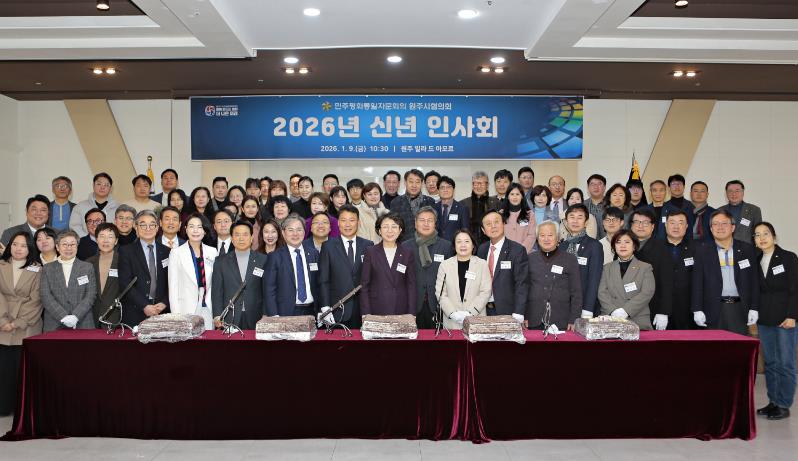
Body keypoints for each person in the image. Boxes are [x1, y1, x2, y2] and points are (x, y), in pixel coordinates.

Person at [753, 222, 798, 420]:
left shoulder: (788, 257)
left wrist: (792, 315)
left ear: (774, 236)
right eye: (757, 235)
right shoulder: (756, 260)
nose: (762, 238)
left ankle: (784, 404)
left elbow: (795, 289)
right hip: (765, 319)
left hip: (785, 319)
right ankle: (773, 401)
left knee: (785, 363)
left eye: (766, 233)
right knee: (770, 363)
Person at [692, 209, 759, 336]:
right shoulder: (702, 251)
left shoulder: (747, 249)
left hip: (740, 309)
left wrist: (754, 307)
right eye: (716, 224)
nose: (720, 227)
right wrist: (697, 309)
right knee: (714, 347)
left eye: (724, 223)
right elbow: (697, 282)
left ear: (733, 227)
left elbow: (754, 281)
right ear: (711, 229)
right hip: (712, 309)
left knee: (739, 347)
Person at [0, 231, 42, 416]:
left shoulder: (37, 269)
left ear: (30, 248)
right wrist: (3, 320)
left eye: (24, 245)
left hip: (27, 326)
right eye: (15, 244)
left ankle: (23, 409)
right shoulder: (1, 265)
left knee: (22, 369)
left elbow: (36, 299)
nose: (18, 249)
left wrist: (17, 322)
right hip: (1, 324)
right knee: (4, 369)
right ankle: (3, 406)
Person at [318, 205, 374, 329]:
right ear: (338, 223)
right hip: (337, 308)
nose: (347, 224)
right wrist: (325, 307)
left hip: (362, 309)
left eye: (352, 220)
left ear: (358, 222)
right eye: (343, 220)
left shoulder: (368, 245)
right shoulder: (328, 246)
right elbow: (323, 280)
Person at [401, 207, 454, 328]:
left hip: (438, 305)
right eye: (422, 220)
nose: (426, 224)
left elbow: (451, 278)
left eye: (430, 220)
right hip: (412, 305)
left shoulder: (446, 246)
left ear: (435, 224)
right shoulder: (405, 247)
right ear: (415, 223)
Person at [117, 210, 171, 327]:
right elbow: (125, 283)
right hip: (135, 311)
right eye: (143, 225)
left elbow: (173, 281)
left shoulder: (167, 251)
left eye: (152, 225)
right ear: (136, 227)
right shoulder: (126, 251)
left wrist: (164, 302)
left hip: (162, 311)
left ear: (157, 228)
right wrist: (144, 305)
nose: (148, 228)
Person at [526, 220, 582, 331]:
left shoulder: (570, 259)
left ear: (558, 237)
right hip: (533, 318)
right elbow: (524, 289)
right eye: (542, 235)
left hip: (561, 320)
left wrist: (574, 318)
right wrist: (525, 315)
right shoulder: (530, 259)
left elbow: (576, 292)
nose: (546, 239)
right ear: (537, 238)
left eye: (550, 235)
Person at [211, 220, 267, 330]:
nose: (241, 238)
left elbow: (266, 290)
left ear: (252, 238)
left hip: (256, 316)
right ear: (232, 238)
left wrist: (266, 314)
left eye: (245, 234)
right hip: (229, 316)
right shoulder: (220, 262)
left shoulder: (263, 260)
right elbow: (217, 291)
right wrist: (217, 315)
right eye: (237, 235)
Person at [360, 212, 416, 316]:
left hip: (401, 308)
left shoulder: (407, 253)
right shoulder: (371, 252)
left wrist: (411, 313)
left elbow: (411, 285)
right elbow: (365, 286)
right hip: (376, 308)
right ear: (379, 231)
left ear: (400, 230)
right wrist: (366, 313)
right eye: (385, 227)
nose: (390, 231)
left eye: (394, 227)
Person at [40, 229, 97, 332]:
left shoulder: (87, 267)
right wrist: (63, 316)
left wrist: (76, 316)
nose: (68, 248)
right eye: (65, 244)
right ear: (57, 247)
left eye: (72, 244)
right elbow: (45, 296)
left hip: (83, 322)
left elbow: (91, 295)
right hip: (54, 322)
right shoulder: (47, 268)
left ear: (77, 246)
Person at [264, 214, 320, 317]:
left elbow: (319, 283)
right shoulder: (275, 257)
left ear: (304, 232)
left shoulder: (313, 254)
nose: (295, 234)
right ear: (283, 233)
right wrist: (274, 315)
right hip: (286, 312)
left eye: (299, 229)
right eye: (290, 230)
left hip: (312, 311)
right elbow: (269, 288)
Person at [598, 230, 655, 330]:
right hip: (611, 319)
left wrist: (626, 310)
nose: (622, 246)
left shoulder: (645, 267)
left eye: (627, 242)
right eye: (618, 242)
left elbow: (647, 292)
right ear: (614, 246)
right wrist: (613, 311)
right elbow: (602, 292)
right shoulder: (607, 268)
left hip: (637, 319)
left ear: (634, 246)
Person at [168, 213, 217, 330]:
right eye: (191, 226)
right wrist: (176, 316)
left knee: (209, 339)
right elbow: (173, 288)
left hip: (208, 307)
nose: (195, 230)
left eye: (199, 227)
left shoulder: (213, 252)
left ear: (204, 231)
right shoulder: (176, 253)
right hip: (185, 308)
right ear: (185, 229)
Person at [477, 210, 528, 320]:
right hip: (483, 310)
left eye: (496, 222)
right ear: (483, 230)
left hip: (508, 312)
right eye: (488, 224)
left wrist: (519, 312)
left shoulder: (517, 250)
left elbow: (522, 283)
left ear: (503, 224)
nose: (493, 226)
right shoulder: (482, 249)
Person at [435, 229, 491, 330]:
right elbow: (440, 294)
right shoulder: (445, 265)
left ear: (473, 245)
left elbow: (485, 292)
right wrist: (452, 313)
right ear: (454, 245)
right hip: (452, 323)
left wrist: (470, 313)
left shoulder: (482, 264)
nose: (463, 245)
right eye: (459, 242)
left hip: (476, 321)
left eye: (467, 241)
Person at [630, 208, 673, 330]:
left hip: (653, 307)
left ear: (653, 227)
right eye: (637, 222)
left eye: (645, 222)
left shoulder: (662, 248)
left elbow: (667, 282)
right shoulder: (624, 245)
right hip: (627, 306)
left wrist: (664, 311)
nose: (640, 226)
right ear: (631, 225)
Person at [559, 204, 604, 318]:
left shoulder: (594, 245)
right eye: (572, 217)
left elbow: (594, 280)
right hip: (562, 303)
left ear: (586, 222)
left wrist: (588, 308)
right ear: (566, 221)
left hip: (584, 304)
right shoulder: (562, 246)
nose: (575, 221)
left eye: (580, 217)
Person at [664, 210, 699, 330]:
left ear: (687, 226)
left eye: (680, 223)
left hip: (689, 310)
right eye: (672, 222)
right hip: (661, 310)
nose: (676, 226)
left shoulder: (697, 249)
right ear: (666, 225)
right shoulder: (655, 247)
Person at [86, 223, 121, 327]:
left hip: (115, 316)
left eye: (110, 237)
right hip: (91, 316)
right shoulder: (88, 263)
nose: (106, 241)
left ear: (116, 241)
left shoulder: (123, 261)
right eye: (102, 236)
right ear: (96, 239)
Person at [390, 169, 436, 241]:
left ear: (422, 184)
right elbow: (393, 227)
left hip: (427, 243)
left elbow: (435, 226)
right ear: (405, 182)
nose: (414, 185)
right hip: (403, 245)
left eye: (417, 182)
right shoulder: (396, 202)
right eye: (411, 182)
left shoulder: (430, 202)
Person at [70, 173, 119, 237]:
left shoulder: (118, 207)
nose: (102, 187)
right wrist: (88, 239)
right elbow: (74, 226)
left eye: (106, 185)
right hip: (86, 242)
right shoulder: (79, 207)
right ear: (93, 185)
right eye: (99, 184)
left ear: (110, 188)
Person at [462, 171, 500, 246]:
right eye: (476, 183)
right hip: (469, 243)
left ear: (487, 185)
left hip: (491, 243)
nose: (479, 186)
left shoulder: (496, 203)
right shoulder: (463, 204)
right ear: (472, 185)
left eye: (482, 183)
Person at [433, 176, 470, 242]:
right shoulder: (433, 208)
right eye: (442, 187)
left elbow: (465, 232)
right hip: (436, 245)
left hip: (454, 245)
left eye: (448, 187)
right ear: (438, 191)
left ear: (453, 190)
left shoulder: (462, 209)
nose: (445, 190)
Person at [501, 183, 535, 253]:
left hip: (525, 252)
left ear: (522, 196)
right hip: (505, 253)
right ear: (508, 196)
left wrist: (521, 250)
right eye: (512, 194)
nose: (515, 197)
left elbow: (532, 235)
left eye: (517, 194)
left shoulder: (529, 214)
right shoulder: (501, 214)